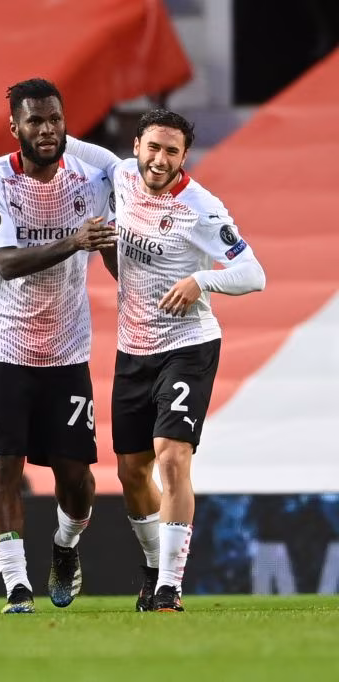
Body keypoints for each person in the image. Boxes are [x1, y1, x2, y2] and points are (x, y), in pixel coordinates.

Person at [66, 110, 266, 611]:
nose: (160, 160)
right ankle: (155, 569)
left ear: (184, 157)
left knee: (173, 456)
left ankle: (170, 587)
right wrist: (36, 130)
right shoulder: (121, 174)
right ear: (137, 145)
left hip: (188, 344)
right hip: (133, 349)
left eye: (171, 151)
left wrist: (202, 280)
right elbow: (68, 144)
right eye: (153, 147)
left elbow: (253, 273)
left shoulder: (202, 208)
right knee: (132, 474)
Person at [0, 79, 115, 614]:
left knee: (75, 475)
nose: (47, 130)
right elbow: (6, 263)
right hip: (0, 341)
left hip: (66, 344)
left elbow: (113, 239)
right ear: (15, 127)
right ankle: (17, 586)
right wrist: (75, 240)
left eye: (55, 119)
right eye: (35, 121)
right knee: (2, 465)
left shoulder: (91, 180)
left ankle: (65, 547)